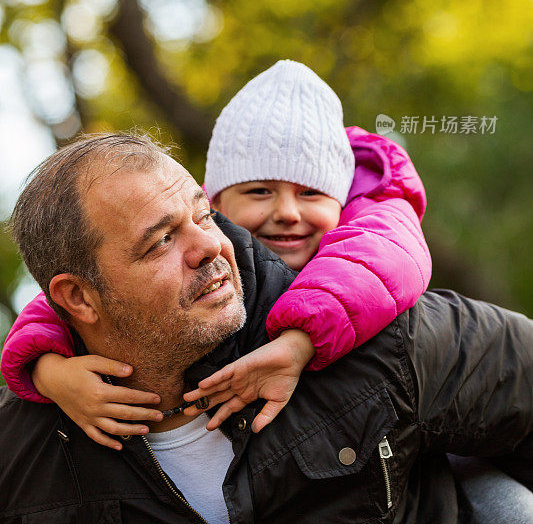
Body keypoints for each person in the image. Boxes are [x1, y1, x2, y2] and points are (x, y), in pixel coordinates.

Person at [0, 131, 531, 524]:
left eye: (202, 217)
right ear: (77, 297)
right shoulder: (20, 452)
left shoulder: (383, 342)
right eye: (161, 240)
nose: (212, 247)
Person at [2, 60, 432, 445]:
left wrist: (300, 343)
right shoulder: (192, 227)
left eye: (312, 193)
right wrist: (48, 371)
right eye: (260, 191)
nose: (287, 212)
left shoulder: (376, 221)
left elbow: (375, 270)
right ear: (218, 204)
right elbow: (71, 295)